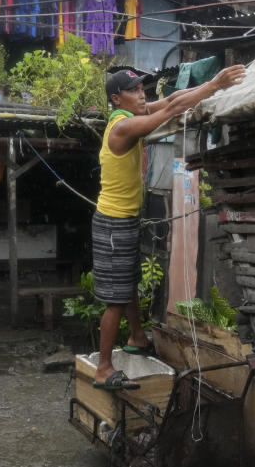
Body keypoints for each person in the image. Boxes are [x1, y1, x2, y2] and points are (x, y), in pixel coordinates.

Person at [91, 64, 246, 390]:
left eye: (142, 89)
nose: (142, 94)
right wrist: (215, 82)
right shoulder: (122, 127)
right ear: (117, 98)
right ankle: (103, 369)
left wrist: (209, 86)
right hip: (113, 223)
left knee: (128, 283)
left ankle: (137, 337)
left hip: (125, 220)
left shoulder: (132, 116)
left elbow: (173, 97)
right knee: (116, 300)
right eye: (134, 91)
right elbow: (174, 109)